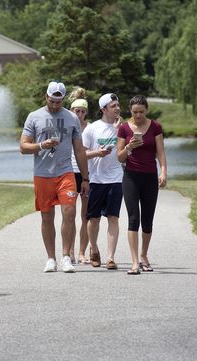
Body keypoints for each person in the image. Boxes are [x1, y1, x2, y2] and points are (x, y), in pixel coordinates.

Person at [20, 81, 89, 273]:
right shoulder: (34, 116)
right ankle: (51, 258)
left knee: (69, 212)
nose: (55, 105)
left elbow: (79, 150)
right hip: (43, 174)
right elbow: (23, 147)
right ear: (46, 97)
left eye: (58, 102)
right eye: (52, 101)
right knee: (47, 216)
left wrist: (85, 178)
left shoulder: (72, 118)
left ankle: (66, 256)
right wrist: (42, 145)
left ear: (63, 100)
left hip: (65, 171)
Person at [117, 95, 168, 275]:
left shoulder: (155, 127)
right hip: (131, 177)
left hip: (149, 177)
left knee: (147, 220)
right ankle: (134, 262)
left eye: (141, 112)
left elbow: (160, 152)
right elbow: (119, 157)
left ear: (147, 110)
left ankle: (144, 255)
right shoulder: (124, 128)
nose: (138, 115)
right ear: (130, 111)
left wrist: (163, 172)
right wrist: (129, 147)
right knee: (133, 218)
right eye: (134, 112)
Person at [82, 93, 124, 270]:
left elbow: (125, 150)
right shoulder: (92, 129)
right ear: (103, 109)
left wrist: (118, 131)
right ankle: (94, 249)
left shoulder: (122, 128)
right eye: (113, 105)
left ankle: (110, 257)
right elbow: (81, 154)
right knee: (94, 219)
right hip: (97, 179)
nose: (117, 108)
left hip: (116, 178)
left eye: (118, 105)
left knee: (113, 217)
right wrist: (96, 153)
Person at [68, 87, 90, 264]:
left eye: (83, 111)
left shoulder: (90, 129)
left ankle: (82, 252)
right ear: (71, 111)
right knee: (70, 214)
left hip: (87, 174)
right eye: (77, 111)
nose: (80, 114)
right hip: (69, 173)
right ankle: (70, 251)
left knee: (86, 215)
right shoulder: (66, 126)